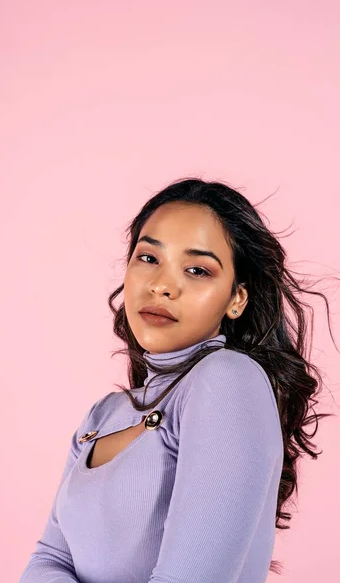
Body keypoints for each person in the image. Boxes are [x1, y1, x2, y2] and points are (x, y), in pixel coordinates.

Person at [19, 178, 334, 583]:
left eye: (197, 270)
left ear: (237, 298)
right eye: (149, 258)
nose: (163, 286)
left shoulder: (229, 380)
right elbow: (46, 560)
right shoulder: (104, 414)